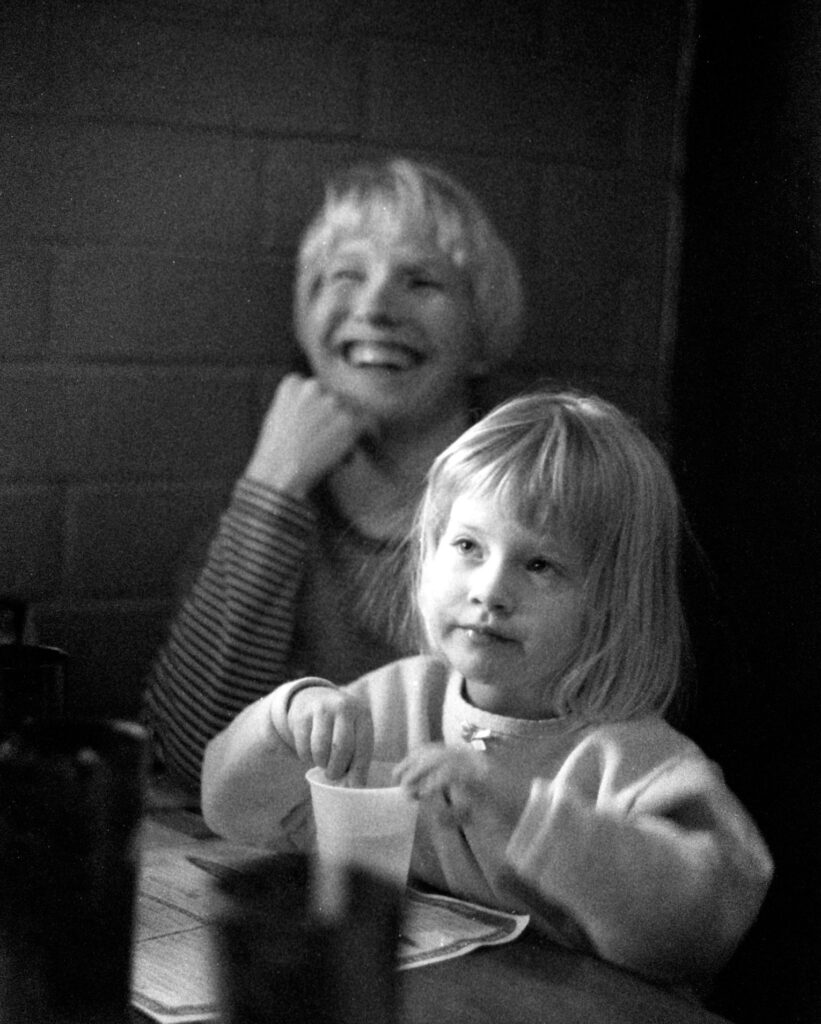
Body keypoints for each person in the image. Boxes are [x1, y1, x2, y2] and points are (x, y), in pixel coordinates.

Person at [201, 389, 773, 990]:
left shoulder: (635, 761)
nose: (490, 590)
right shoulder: (396, 702)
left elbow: (698, 932)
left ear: (612, 604)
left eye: (540, 565)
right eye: (469, 546)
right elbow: (232, 812)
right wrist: (287, 720)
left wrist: (523, 810)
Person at [143, 157, 524, 792]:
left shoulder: (534, 525)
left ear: (481, 338)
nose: (375, 306)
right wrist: (271, 487)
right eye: (344, 275)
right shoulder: (257, 524)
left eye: (421, 282)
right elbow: (189, 758)